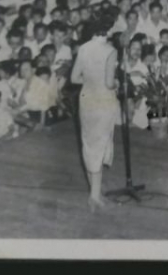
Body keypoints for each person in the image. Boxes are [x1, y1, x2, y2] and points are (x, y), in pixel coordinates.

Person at [70, 18, 119, 211]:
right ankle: (94, 197)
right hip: (103, 101)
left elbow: (74, 78)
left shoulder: (83, 48)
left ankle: (95, 192)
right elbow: (109, 83)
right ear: (106, 31)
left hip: (87, 99)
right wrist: (117, 84)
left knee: (89, 143)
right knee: (100, 144)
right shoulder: (110, 51)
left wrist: (90, 81)